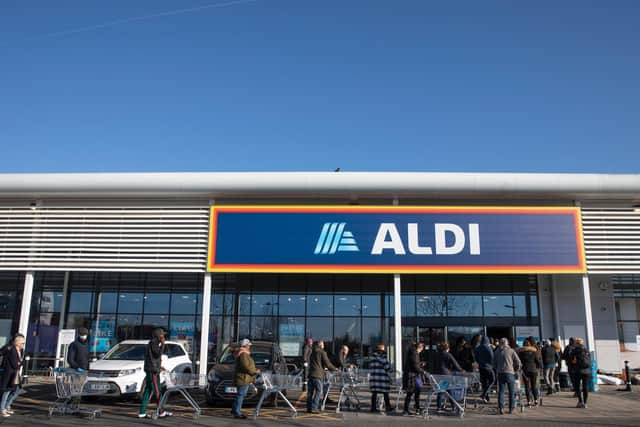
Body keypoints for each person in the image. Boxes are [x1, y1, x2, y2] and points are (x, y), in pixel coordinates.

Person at [138, 328, 171, 419]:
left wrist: (159, 366)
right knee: (157, 391)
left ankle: (142, 412)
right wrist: (163, 344)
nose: (164, 336)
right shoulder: (154, 343)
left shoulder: (153, 343)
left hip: (152, 369)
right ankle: (161, 411)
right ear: (158, 335)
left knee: (148, 390)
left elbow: (152, 358)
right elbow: (157, 354)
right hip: (153, 371)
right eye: (162, 334)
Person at [231, 339, 259, 419]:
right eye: (249, 345)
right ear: (245, 345)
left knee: (240, 395)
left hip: (243, 378)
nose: (250, 346)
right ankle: (237, 412)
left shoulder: (243, 353)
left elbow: (246, 366)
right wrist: (254, 371)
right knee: (240, 395)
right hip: (243, 378)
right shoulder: (243, 354)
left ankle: (235, 410)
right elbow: (245, 366)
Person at [493, 338, 521, 415]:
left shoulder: (496, 352)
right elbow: (518, 362)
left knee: (501, 391)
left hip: (500, 373)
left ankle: (501, 408)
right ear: (507, 343)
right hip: (510, 373)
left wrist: (497, 368)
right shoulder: (511, 351)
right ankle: (511, 408)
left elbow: (494, 363)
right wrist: (515, 370)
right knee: (511, 392)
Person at [307, 340, 337, 414]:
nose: (324, 346)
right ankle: (314, 407)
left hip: (311, 374)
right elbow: (327, 363)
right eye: (323, 344)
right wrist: (334, 368)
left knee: (310, 392)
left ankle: (309, 408)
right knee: (318, 391)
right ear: (320, 345)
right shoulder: (322, 352)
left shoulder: (312, 352)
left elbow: (317, 363)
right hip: (317, 375)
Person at [433, 342, 463, 411]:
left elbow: (433, 365)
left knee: (441, 390)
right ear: (447, 348)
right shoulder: (448, 355)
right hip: (446, 375)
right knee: (449, 391)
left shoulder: (436, 355)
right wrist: (461, 370)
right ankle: (453, 406)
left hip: (437, 375)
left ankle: (439, 407)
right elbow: (455, 364)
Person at [0, 335, 25, 417]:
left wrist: (20, 363)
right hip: (10, 374)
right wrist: (19, 363)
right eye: (22, 343)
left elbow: (19, 363)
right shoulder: (11, 349)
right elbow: (15, 364)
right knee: (7, 391)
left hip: (15, 374)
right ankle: (2, 408)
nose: (23, 345)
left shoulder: (20, 350)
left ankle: (6, 406)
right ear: (17, 343)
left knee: (16, 391)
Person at [368, 344, 394, 414]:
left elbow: (370, 367)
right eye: (383, 349)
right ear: (381, 350)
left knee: (374, 393)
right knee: (385, 393)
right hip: (382, 379)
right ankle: (388, 407)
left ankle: (373, 408)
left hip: (374, 378)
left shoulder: (372, 358)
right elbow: (388, 368)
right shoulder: (383, 358)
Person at [402, 342, 425, 416]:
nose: (421, 351)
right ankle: (406, 410)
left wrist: (420, 364)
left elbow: (414, 364)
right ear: (420, 348)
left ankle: (417, 408)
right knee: (410, 393)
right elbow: (415, 366)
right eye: (421, 349)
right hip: (412, 376)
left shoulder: (412, 352)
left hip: (411, 375)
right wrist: (423, 371)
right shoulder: (414, 353)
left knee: (415, 393)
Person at [569, 338, 592, 408]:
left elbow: (571, 360)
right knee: (585, 387)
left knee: (577, 386)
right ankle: (585, 403)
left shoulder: (575, 350)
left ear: (577, 343)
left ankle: (580, 401)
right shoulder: (587, 350)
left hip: (577, 371)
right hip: (587, 371)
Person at [518, 339, 542, 407]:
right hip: (534, 370)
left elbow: (519, 362)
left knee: (527, 387)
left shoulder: (521, 353)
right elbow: (538, 362)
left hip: (525, 371)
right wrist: (539, 367)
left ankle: (528, 402)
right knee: (534, 386)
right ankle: (536, 401)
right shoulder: (534, 352)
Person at [474, 335, 495, 403]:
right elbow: (492, 357)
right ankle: (484, 394)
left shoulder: (477, 348)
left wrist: (479, 362)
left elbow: (476, 358)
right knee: (492, 380)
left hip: (481, 367)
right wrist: (492, 364)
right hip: (489, 367)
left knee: (485, 383)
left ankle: (486, 397)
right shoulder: (488, 348)